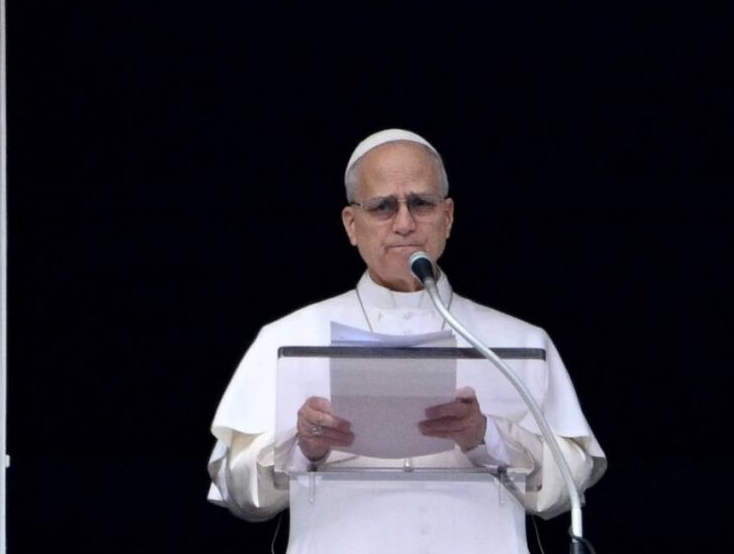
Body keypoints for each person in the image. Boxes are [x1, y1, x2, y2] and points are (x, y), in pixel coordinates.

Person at [208, 129, 606, 553]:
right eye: (382, 206)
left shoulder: (518, 342)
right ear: (351, 225)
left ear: (448, 216)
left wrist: (486, 436)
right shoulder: (286, 338)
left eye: (421, 203)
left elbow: (569, 486)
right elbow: (237, 491)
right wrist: (302, 446)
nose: (404, 223)